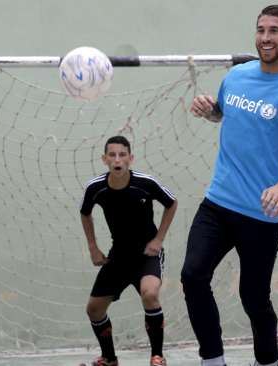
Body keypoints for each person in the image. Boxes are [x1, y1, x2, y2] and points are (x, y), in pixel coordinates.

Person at [182, 5, 278, 366]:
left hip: (262, 214)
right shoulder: (237, 76)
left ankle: (267, 362)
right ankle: (212, 360)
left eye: (274, 31)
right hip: (218, 202)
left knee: (254, 298)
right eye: (261, 30)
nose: (265, 38)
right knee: (193, 275)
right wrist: (209, 109)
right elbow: (225, 114)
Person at [80, 135, 178, 366]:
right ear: (105, 159)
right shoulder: (96, 188)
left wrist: (159, 239)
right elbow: (85, 213)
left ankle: (157, 356)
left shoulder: (145, 183)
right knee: (94, 309)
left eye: (122, 154)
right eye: (112, 155)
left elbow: (171, 203)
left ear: (130, 158)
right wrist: (93, 248)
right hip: (119, 256)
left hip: (147, 254)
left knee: (150, 294)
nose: (118, 159)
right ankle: (109, 358)